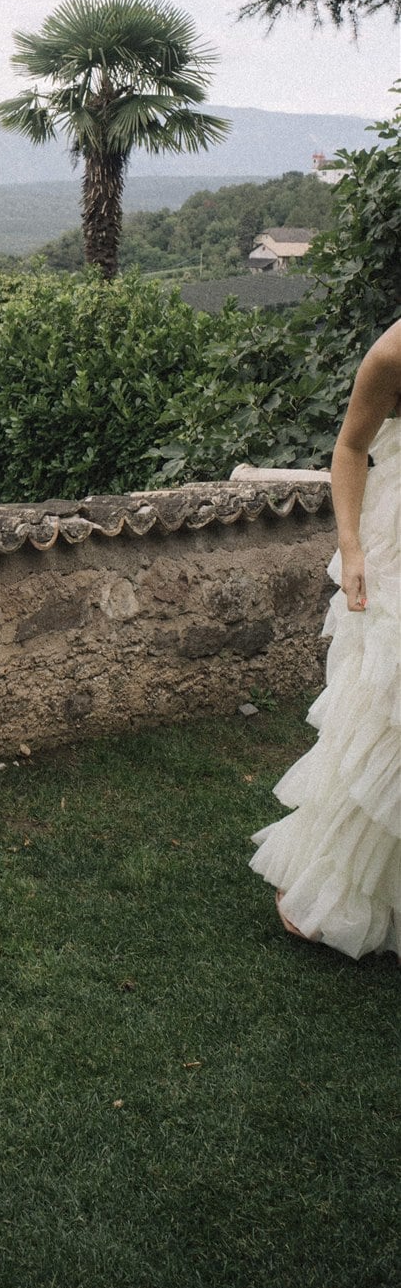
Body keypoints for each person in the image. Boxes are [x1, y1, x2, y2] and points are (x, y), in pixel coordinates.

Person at [249, 319, 401, 959]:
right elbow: (349, 448)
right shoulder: (394, 350)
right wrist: (350, 544)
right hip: (397, 540)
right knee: (384, 713)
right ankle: (333, 884)